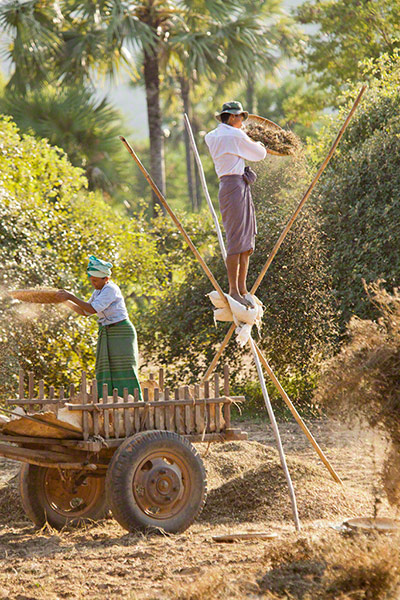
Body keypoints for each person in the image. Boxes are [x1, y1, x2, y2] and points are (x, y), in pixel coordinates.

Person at [205, 100, 268, 308]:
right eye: (239, 117)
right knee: (236, 239)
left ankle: (242, 288)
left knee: (243, 240)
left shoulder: (212, 136)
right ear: (231, 117)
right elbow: (259, 154)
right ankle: (234, 289)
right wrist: (258, 142)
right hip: (234, 187)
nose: (241, 121)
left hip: (231, 186)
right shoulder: (234, 135)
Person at [57, 256, 142, 399]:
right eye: (91, 280)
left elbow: (92, 309)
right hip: (108, 331)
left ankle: (132, 399)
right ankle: (108, 399)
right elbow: (84, 312)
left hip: (121, 331)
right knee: (106, 367)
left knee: (124, 368)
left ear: (106, 278)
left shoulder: (110, 289)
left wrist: (71, 296)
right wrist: (65, 301)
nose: (93, 283)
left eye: (95, 280)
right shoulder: (98, 291)